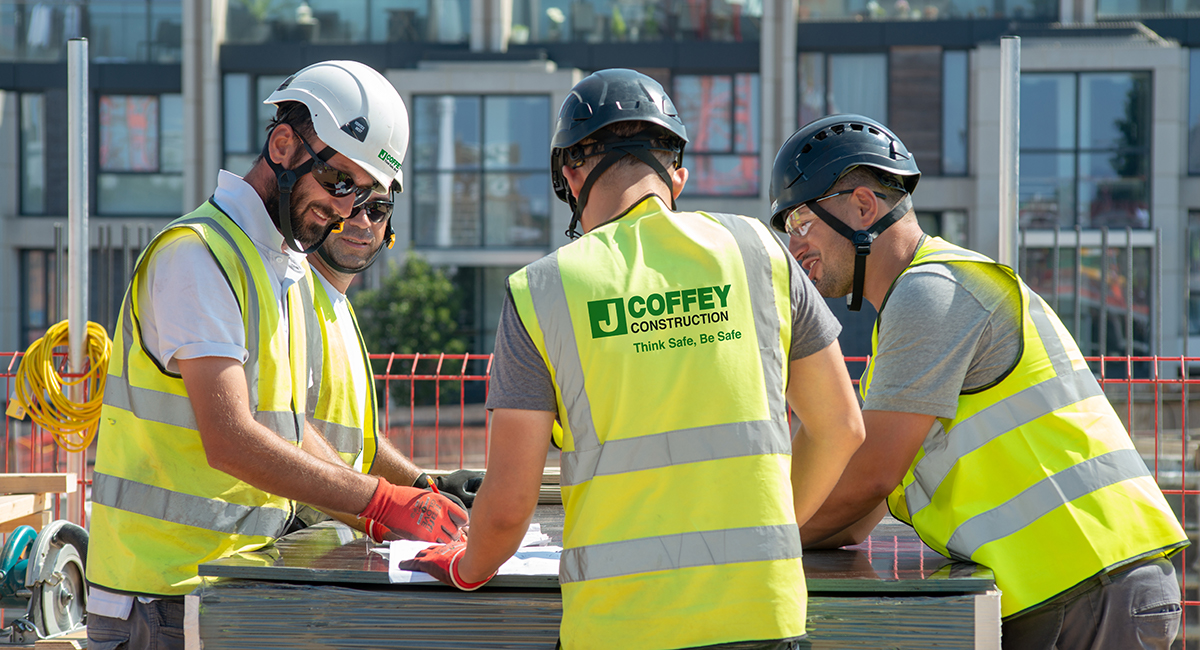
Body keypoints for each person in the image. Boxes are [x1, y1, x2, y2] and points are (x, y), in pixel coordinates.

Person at [401, 69, 865, 649]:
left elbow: (507, 506)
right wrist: (764, 540)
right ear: (677, 174)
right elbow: (841, 427)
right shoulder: (760, 250)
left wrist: (463, 566)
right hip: (761, 615)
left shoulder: (541, 291)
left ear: (570, 175)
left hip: (619, 628)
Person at [769, 113, 1188, 649]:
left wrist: (749, 543)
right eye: (786, 230)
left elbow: (867, 479)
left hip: (1090, 585)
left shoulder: (931, 292)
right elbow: (853, 517)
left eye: (801, 220)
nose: (794, 244)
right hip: (1075, 586)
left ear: (863, 205)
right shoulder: (905, 325)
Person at [86, 60, 467, 649]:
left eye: (366, 195)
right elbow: (231, 438)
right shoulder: (198, 255)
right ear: (284, 144)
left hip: (223, 583)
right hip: (158, 595)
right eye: (340, 183)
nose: (347, 210)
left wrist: (405, 497)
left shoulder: (275, 266)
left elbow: (284, 427)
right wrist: (378, 500)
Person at [299, 189, 485, 528]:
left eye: (377, 209)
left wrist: (427, 487)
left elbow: (359, 445)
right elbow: (288, 430)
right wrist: (382, 512)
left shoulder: (338, 306)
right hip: (275, 542)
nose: (362, 221)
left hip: (321, 531)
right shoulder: (293, 295)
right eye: (351, 205)